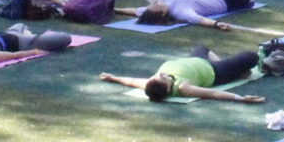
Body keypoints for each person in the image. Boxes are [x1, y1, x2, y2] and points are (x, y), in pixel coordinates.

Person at [101, 48, 271, 103]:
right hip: (216, 71)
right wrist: (240, 98)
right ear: (168, 87)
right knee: (251, 56)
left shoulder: (152, 83)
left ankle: (236, 69)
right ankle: (235, 72)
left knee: (202, 47)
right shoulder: (183, 88)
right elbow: (213, 93)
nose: (161, 73)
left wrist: (113, 78)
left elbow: (131, 81)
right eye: (163, 77)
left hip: (197, 60)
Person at [136, 0, 257, 30]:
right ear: (162, 13)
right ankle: (241, 4)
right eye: (155, 5)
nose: (154, 2)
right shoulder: (180, 12)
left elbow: (135, 11)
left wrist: (121, 10)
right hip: (219, 1)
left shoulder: (162, 0)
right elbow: (200, 20)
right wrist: (217, 24)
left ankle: (237, 1)